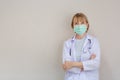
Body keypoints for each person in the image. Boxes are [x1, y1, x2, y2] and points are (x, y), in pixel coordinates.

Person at [62, 13, 101, 80]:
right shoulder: (67, 43)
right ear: (73, 26)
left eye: (82, 23)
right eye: (76, 23)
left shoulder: (93, 41)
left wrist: (73, 64)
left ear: (87, 24)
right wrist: (87, 63)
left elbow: (95, 63)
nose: (79, 26)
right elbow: (66, 65)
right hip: (72, 78)